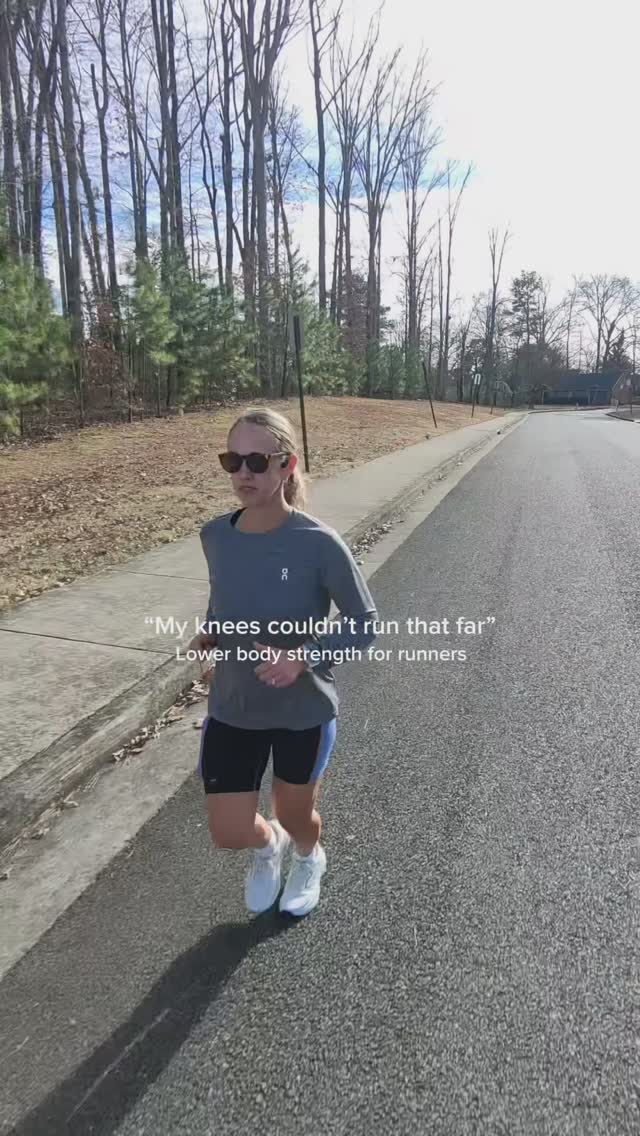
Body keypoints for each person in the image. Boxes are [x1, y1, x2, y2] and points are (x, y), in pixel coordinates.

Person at [189, 407, 378, 918]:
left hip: (302, 710)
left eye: (257, 461)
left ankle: (309, 856)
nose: (243, 473)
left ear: (287, 464)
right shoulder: (215, 536)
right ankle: (267, 847)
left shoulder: (319, 543)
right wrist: (211, 630)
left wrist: (303, 658)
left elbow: (364, 622)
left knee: (295, 815)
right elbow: (223, 596)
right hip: (233, 705)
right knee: (230, 832)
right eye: (232, 460)